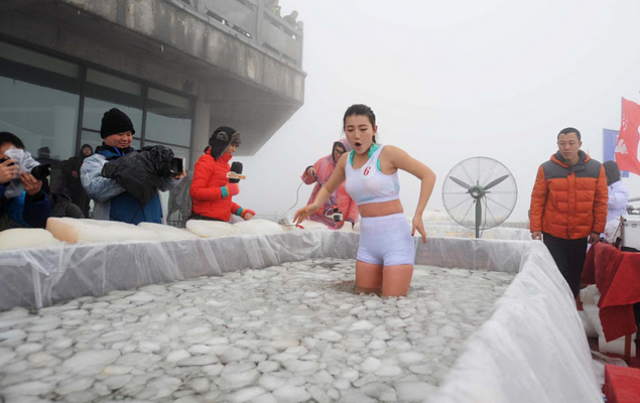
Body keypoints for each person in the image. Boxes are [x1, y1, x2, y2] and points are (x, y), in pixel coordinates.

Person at [295, 104, 436, 297]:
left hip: (395, 239)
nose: (356, 135)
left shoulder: (388, 153)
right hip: (368, 242)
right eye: (350, 130)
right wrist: (315, 205)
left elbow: (428, 175)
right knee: (364, 302)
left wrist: (418, 214)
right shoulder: (346, 160)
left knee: (393, 305)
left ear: (374, 129)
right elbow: (328, 186)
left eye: (363, 129)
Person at [530, 127, 608, 298]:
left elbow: (601, 201)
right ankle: (554, 310)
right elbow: (537, 200)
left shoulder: (595, 168)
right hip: (553, 233)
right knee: (556, 273)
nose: (567, 147)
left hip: (581, 233)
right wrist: (535, 227)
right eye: (562, 143)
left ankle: (570, 312)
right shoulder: (546, 169)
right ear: (557, 144)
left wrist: (597, 229)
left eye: (571, 143)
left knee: (574, 275)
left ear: (579, 144)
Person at [81, 108, 184, 224]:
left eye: (129, 134)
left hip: (153, 227)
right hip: (118, 230)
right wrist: (130, 175)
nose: (125, 138)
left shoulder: (144, 159)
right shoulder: (94, 161)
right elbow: (95, 190)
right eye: (120, 134)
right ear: (106, 136)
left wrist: (175, 169)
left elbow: (165, 185)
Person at [190, 126, 255, 222]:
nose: (234, 149)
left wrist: (242, 212)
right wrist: (227, 190)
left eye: (235, 146)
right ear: (222, 143)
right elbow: (196, 192)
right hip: (204, 221)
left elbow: (222, 201)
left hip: (219, 222)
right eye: (232, 145)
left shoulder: (226, 166)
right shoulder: (206, 161)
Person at [302, 139, 358, 229]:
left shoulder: (354, 170)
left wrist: (350, 220)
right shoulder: (323, 162)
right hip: (314, 217)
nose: (338, 155)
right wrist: (308, 171)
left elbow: (356, 198)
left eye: (341, 153)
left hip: (338, 220)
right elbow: (307, 181)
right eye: (336, 151)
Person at [0, 132, 51, 231]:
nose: (14, 166)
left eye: (18, 160)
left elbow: (38, 225)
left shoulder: (12, 191)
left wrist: (35, 196)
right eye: (6, 160)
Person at [61, 144, 93, 217]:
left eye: (89, 149)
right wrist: (72, 172)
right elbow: (64, 168)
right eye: (85, 149)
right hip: (74, 187)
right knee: (74, 204)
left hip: (86, 189)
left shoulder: (93, 162)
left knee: (85, 206)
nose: (87, 150)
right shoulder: (75, 159)